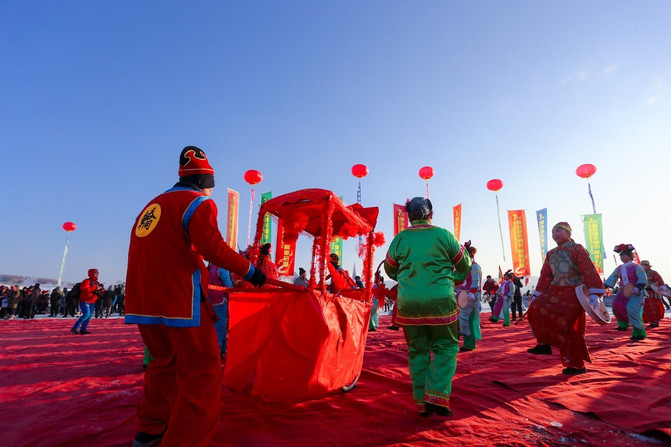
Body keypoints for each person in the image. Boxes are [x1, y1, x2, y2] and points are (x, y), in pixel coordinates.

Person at [124, 146, 266, 447]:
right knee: (203, 371)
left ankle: (149, 433)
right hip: (181, 301)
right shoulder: (198, 203)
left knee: (163, 363)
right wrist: (251, 271)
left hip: (143, 302)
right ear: (204, 182)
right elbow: (212, 246)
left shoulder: (150, 207)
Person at [384, 196, 471, 417]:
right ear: (431, 214)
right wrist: (455, 279)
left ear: (409, 215)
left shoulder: (400, 238)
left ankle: (422, 402)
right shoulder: (443, 235)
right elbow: (464, 263)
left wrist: (408, 278)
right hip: (440, 301)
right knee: (447, 347)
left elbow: (390, 269)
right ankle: (437, 396)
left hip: (409, 302)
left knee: (417, 350)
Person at [526, 222, 605, 375]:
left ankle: (576, 366)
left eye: (559, 231)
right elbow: (545, 276)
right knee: (535, 308)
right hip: (555, 290)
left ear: (569, 233)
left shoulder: (577, 249)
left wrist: (594, 294)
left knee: (570, 328)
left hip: (574, 292)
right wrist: (537, 294)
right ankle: (543, 344)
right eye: (553, 232)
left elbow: (588, 270)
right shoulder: (551, 253)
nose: (555, 234)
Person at [604, 244, 647, 341]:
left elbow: (642, 279)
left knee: (632, 310)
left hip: (635, 291)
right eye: (621, 256)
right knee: (617, 305)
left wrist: (638, 288)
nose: (622, 258)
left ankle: (638, 334)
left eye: (624, 256)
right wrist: (603, 286)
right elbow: (612, 279)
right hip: (623, 291)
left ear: (630, 256)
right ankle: (622, 324)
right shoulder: (619, 268)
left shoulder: (637, 267)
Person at [458, 243, 482, 352]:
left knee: (469, 319)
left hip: (472, 297)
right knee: (464, 319)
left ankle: (470, 344)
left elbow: (475, 282)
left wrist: (472, 292)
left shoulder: (475, 266)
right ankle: (467, 343)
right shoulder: (466, 267)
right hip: (465, 296)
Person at [207, 263, 233, 360]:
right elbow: (228, 285)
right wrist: (235, 295)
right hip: (220, 301)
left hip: (210, 302)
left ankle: (219, 352)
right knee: (221, 329)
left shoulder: (210, 266)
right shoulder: (221, 267)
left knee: (214, 329)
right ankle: (218, 353)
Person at [71, 270, 104, 334]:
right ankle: (75, 327)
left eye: (97, 274)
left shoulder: (97, 282)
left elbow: (99, 292)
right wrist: (95, 288)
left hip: (92, 301)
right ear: (91, 274)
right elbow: (84, 289)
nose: (97, 275)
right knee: (86, 314)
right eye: (95, 273)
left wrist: (101, 290)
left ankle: (83, 329)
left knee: (89, 316)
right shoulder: (87, 281)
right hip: (85, 300)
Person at [640, 260, 667, 327]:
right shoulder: (640, 273)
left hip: (653, 293)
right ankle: (646, 319)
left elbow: (659, 279)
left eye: (644, 265)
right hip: (644, 293)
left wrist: (662, 286)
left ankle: (655, 322)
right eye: (641, 265)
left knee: (653, 307)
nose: (642, 266)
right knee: (645, 307)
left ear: (647, 266)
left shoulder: (653, 272)